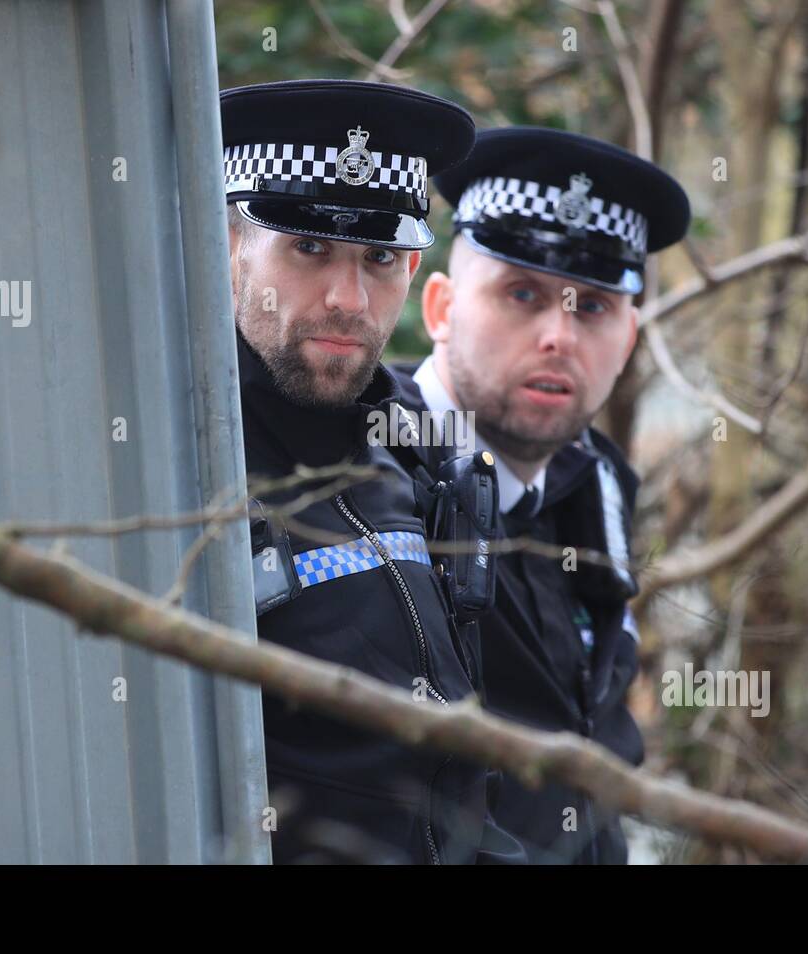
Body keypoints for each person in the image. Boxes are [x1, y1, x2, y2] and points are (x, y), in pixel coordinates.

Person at [222, 79, 523, 864]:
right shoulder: (179, 462)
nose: (348, 298)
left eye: (381, 257)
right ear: (229, 244)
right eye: (309, 248)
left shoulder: (428, 453)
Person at [391, 126, 690, 863]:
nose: (559, 335)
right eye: (521, 293)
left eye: (592, 306)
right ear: (440, 309)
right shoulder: (364, 472)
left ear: (628, 340)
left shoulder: (597, 487)